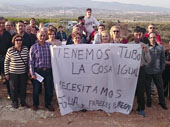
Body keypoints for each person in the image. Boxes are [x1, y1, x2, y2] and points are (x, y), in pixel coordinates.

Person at [29, 30, 55, 111]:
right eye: (41, 36)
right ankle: (35, 104)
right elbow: (30, 61)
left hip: (48, 71)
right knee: (36, 89)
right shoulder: (33, 47)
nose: (42, 37)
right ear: (37, 36)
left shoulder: (50, 46)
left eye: (44, 35)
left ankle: (48, 104)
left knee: (49, 89)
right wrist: (32, 73)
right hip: (38, 71)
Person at [129, 27, 151, 117]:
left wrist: (146, 51)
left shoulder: (144, 45)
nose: (138, 36)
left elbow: (148, 61)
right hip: (130, 70)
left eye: (140, 35)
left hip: (141, 69)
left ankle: (141, 108)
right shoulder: (129, 45)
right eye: (136, 34)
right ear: (133, 35)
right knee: (129, 88)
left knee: (141, 89)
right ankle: (128, 106)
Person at [4, 34, 29, 109]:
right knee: (13, 88)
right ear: (14, 41)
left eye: (20, 40)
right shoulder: (10, 50)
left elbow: (28, 60)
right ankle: (15, 102)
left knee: (23, 88)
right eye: (17, 40)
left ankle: (23, 101)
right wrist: (6, 73)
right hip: (13, 73)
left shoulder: (25, 49)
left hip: (23, 73)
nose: (19, 41)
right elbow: (6, 62)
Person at [145, 32, 168, 110]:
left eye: (154, 37)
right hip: (147, 71)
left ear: (156, 38)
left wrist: (162, 69)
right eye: (151, 37)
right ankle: (149, 102)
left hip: (157, 71)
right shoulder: (146, 47)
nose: (152, 39)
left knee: (160, 87)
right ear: (148, 38)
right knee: (147, 88)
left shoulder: (160, 48)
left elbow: (162, 59)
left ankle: (162, 102)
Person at [0, 17, 12, 99]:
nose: (2, 24)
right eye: (0, 23)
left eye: (3, 23)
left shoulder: (8, 34)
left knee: (7, 76)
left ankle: (9, 93)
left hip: (5, 58)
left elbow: (10, 47)